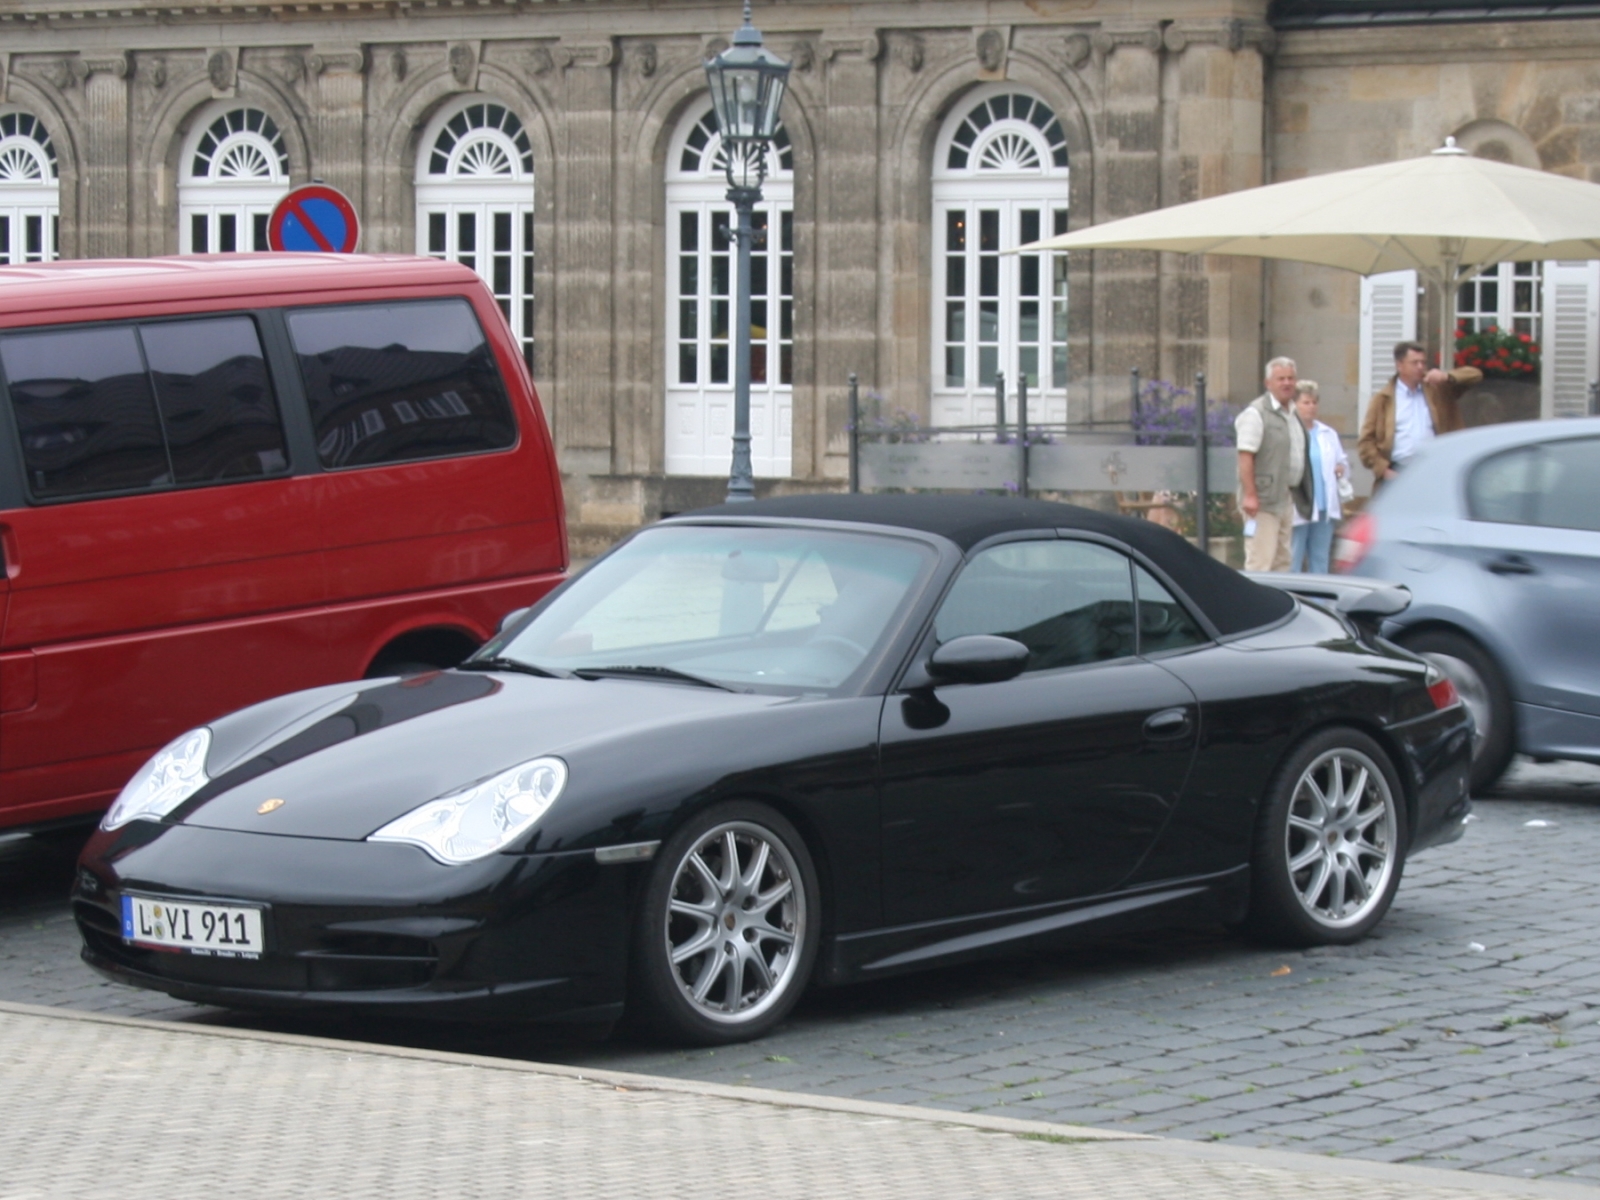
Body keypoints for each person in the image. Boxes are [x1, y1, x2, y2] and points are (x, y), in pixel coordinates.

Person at [1358, 340, 1481, 485]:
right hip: (1398, 471)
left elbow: (1475, 375)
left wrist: (1447, 376)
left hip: (1434, 469)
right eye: (1414, 363)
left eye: (1423, 362)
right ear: (1399, 365)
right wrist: (1383, 470)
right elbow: (1366, 441)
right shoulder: (1383, 399)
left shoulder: (1438, 389)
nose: (1420, 367)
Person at [1235, 356, 1313, 572]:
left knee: (1282, 564)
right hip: (1262, 501)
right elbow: (1245, 455)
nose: (1287, 383)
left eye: (1290, 378)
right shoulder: (1256, 413)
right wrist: (1250, 495)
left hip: (1285, 497)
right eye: (1281, 379)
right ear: (1268, 383)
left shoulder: (1293, 413)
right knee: (1260, 562)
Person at [1289, 381, 1348, 574]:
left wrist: (1341, 468)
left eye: (1314, 402)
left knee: (1320, 558)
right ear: (1295, 404)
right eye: (1306, 402)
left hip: (1324, 507)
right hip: (1299, 505)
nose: (1311, 407)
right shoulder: (1289, 432)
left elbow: (1343, 462)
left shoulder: (1328, 433)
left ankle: (1319, 602)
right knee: (1293, 557)